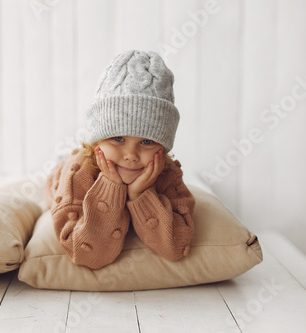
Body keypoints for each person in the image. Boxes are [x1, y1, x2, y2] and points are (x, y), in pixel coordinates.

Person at [46, 50, 195, 270]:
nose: (131, 155)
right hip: (60, 174)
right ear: (97, 141)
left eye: (146, 142)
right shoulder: (78, 173)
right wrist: (111, 187)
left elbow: (175, 246)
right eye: (117, 138)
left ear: (162, 147)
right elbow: (85, 253)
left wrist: (139, 195)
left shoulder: (166, 172)